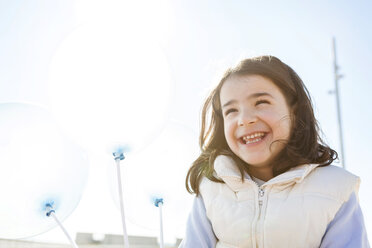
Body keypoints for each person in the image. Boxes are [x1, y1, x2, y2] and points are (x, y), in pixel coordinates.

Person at [179, 56, 369, 248]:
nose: (245, 119)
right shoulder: (211, 187)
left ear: (294, 112)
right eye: (231, 111)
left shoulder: (336, 189)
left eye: (261, 102)